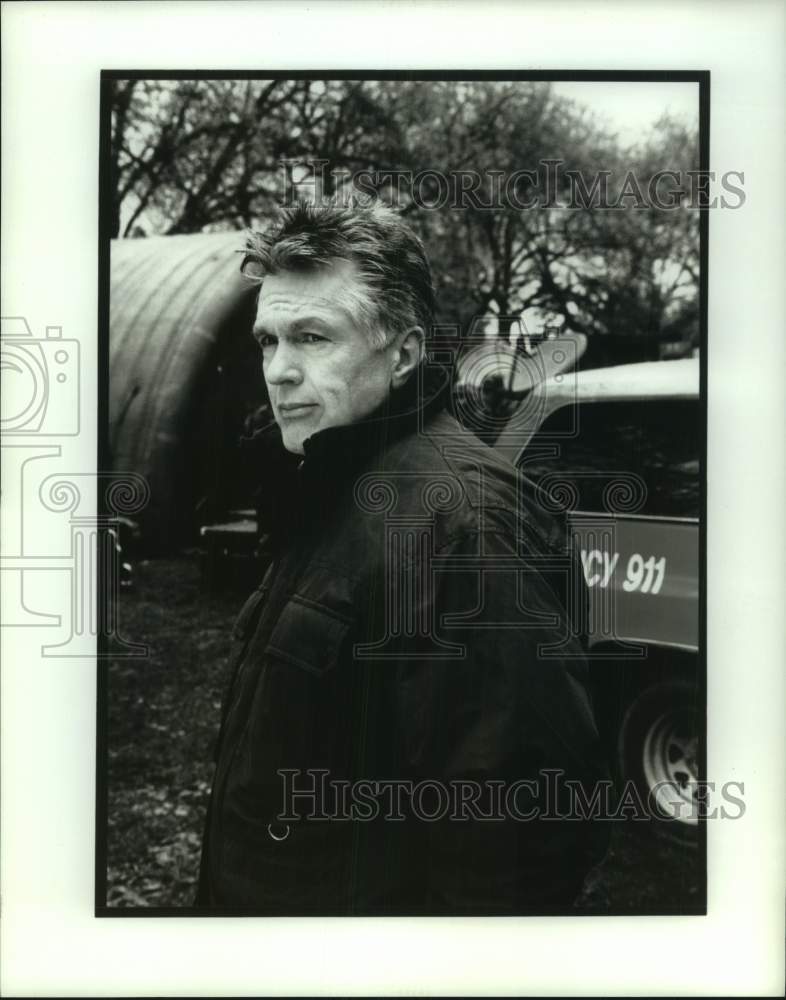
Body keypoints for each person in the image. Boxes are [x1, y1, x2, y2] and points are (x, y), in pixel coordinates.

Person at [197, 196, 609, 914]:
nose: (280, 370)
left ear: (406, 352)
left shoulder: (467, 525)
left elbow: (517, 854)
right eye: (268, 341)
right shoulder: (329, 482)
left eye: (313, 338)